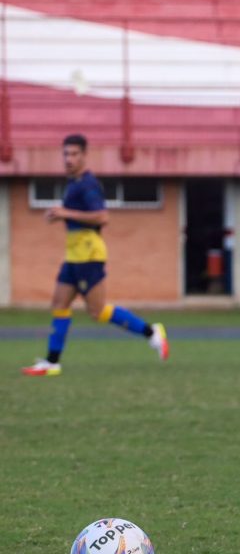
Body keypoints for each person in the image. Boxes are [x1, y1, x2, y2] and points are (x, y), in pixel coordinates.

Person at [21, 134, 169, 377]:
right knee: (59, 303)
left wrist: (65, 213)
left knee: (98, 312)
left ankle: (151, 332)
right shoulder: (73, 184)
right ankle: (52, 362)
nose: (68, 159)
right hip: (74, 255)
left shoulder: (88, 184)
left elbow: (102, 217)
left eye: (74, 154)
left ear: (84, 155)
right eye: (65, 154)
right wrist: (61, 214)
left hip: (89, 255)